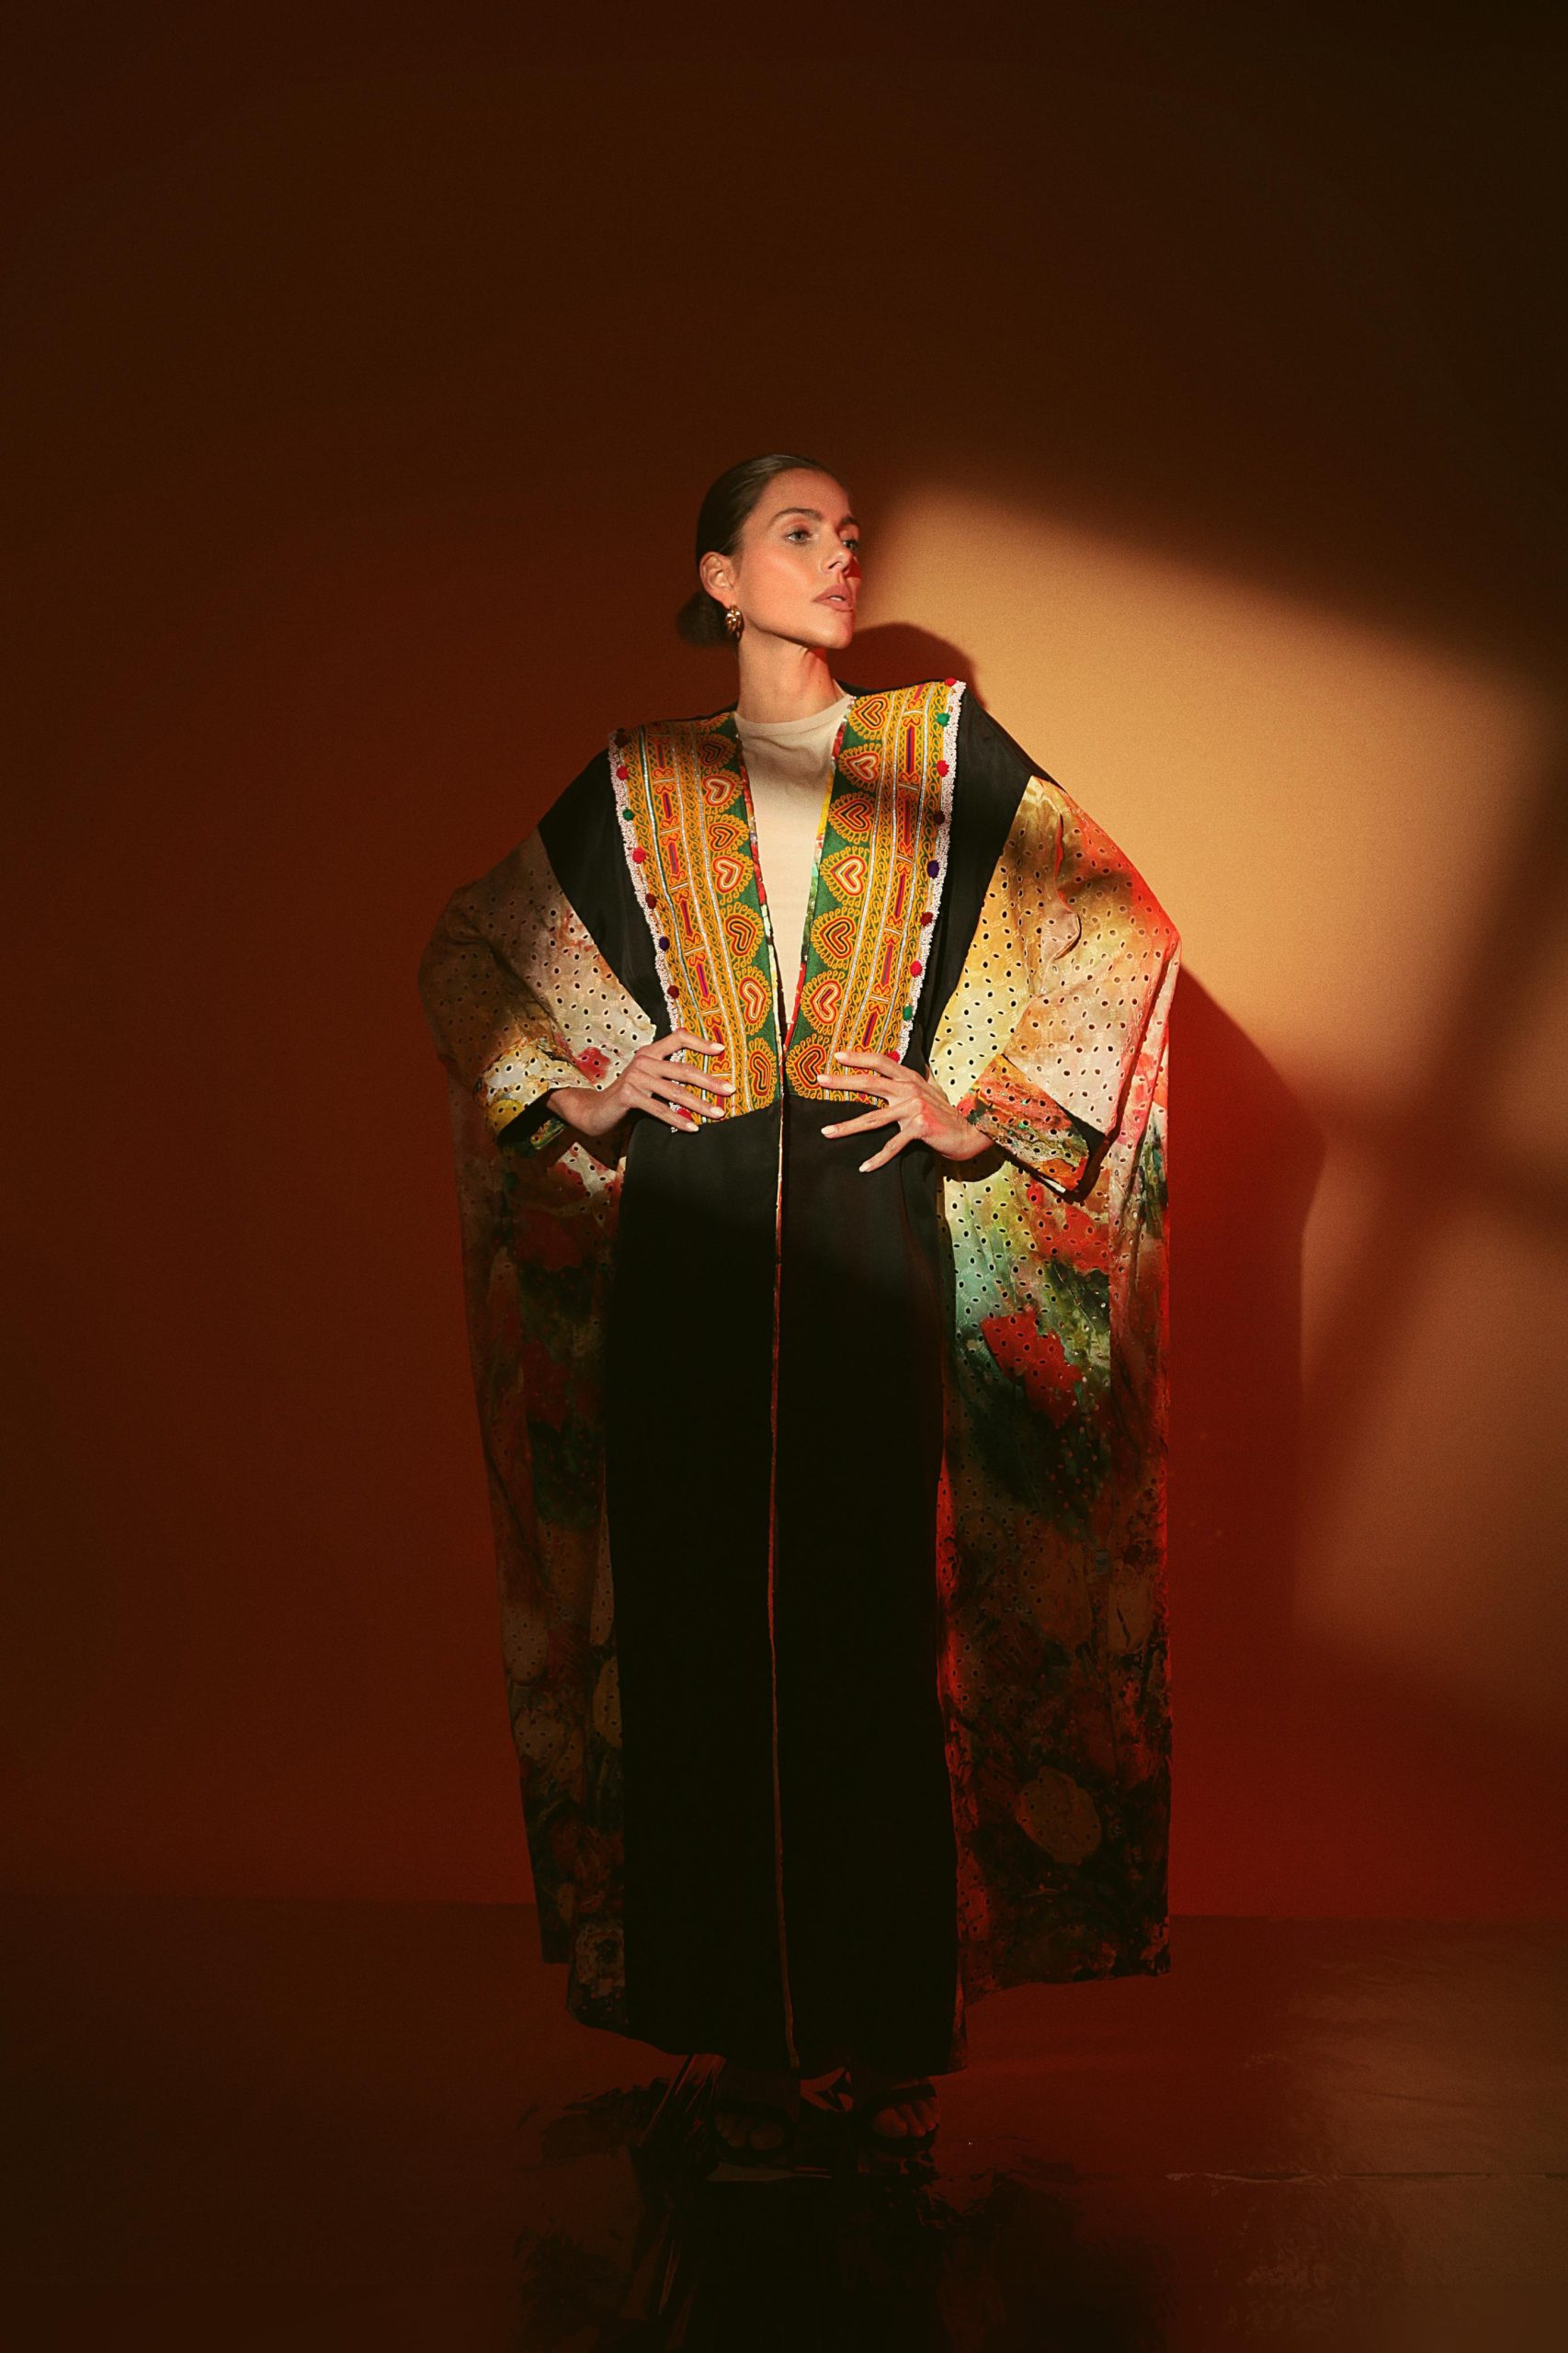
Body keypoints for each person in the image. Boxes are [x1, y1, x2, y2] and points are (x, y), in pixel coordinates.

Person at [417, 454, 1180, 2164]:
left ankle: (884, 2030)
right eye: (798, 534)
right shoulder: (642, 776)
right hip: (683, 1229)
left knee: (869, 1616)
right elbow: (471, 952)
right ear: (720, 576)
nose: (839, 558)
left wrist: (977, 1113)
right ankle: (745, 2046)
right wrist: (582, 1092)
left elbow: (1114, 925)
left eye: (847, 536)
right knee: (694, 1618)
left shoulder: (938, 750)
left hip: (867, 1213)